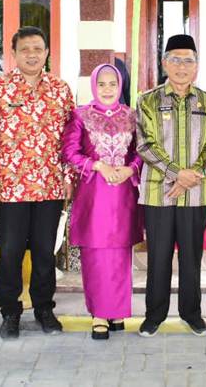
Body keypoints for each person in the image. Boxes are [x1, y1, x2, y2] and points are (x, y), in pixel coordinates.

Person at [0, 26, 75, 340]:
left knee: (46, 251)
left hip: (49, 185)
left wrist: (69, 177)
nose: (32, 54)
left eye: (38, 48)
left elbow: (71, 140)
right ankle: (10, 312)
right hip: (10, 188)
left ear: (47, 52)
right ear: (14, 54)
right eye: (25, 49)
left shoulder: (61, 90)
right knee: (10, 252)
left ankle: (44, 308)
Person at [136, 34, 206, 338]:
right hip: (159, 192)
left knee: (191, 257)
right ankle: (154, 315)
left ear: (196, 66)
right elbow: (145, 144)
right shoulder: (148, 100)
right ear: (164, 63)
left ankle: (191, 313)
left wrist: (191, 175)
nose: (182, 67)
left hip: (196, 194)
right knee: (157, 256)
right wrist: (176, 174)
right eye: (176, 59)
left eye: (188, 60)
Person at [62, 64, 143, 340]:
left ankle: (117, 311)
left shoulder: (132, 117)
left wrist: (131, 168)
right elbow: (70, 153)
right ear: (94, 86)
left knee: (120, 254)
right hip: (94, 196)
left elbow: (141, 152)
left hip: (122, 195)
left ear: (120, 86)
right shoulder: (81, 115)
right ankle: (98, 314)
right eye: (102, 84)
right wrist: (98, 165)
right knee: (96, 254)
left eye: (112, 84)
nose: (107, 89)